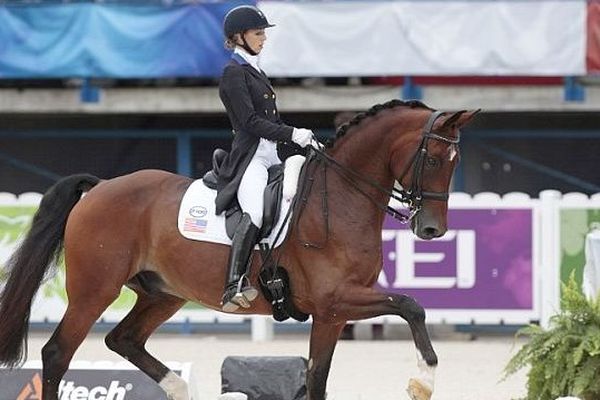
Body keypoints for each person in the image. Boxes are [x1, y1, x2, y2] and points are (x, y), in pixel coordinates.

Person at [216, 5, 315, 312]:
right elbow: (249, 122)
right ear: (238, 37)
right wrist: (292, 134)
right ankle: (233, 284)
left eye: (262, 33)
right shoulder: (233, 74)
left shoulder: (256, 71)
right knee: (256, 212)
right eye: (258, 33)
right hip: (250, 158)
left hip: (270, 154)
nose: (263, 39)